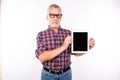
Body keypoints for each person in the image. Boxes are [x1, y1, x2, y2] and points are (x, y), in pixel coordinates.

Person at [35, 4, 95, 80]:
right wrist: (63, 46)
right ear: (47, 17)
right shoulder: (41, 35)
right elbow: (42, 57)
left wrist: (87, 47)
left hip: (66, 75)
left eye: (58, 15)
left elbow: (76, 53)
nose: (55, 18)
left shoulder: (68, 33)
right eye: (52, 15)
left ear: (61, 17)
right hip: (48, 75)